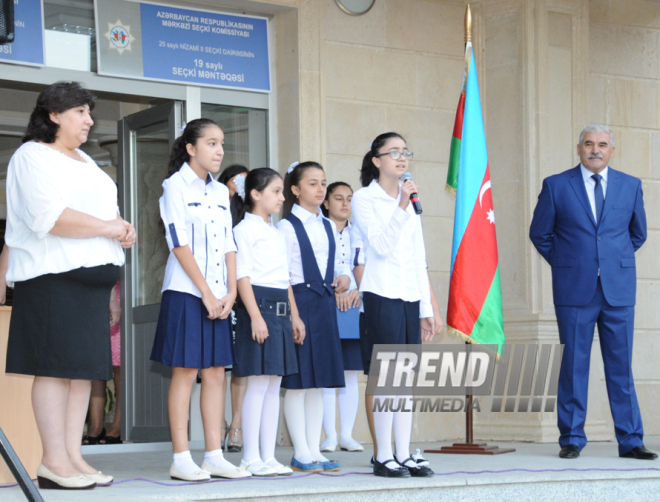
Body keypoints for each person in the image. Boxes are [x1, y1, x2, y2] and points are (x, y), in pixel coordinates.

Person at [4, 81, 135, 490]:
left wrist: (121, 232)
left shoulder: (85, 161)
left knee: (82, 374)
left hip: (92, 285)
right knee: (55, 371)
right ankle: (52, 460)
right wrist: (109, 227)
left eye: (89, 112)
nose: (89, 120)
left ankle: (74, 456)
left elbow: (104, 213)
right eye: (80, 112)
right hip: (52, 281)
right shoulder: (32, 156)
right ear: (54, 115)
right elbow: (51, 217)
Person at [529, 124, 656, 460]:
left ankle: (630, 440)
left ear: (612, 150)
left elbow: (637, 234)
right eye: (589, 144)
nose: (595, 150)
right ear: (578, 148)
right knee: (573, 365)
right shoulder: (557, 186)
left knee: (620, 366)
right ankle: (571, 437)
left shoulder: (630, 186)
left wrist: (610, 260)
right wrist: (567, 262)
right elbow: (540, 233)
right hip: (574, 290)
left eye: (602, 144)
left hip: (618, 290)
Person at [150, 118, 250, 481]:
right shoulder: (173, 186)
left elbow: (228, 244)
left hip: (220, 295)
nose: (219, 150)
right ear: (191, 148)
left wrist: (231, 292)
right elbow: (179, 243)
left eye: (221, 143)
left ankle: (214, 455)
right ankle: (180, 457)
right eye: (211, 143)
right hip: (186, 293)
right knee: (186, 371)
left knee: (215, 374)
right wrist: (206, 293)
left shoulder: (221, 193)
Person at [352, 132, 435, 478]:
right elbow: (382, 247)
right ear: (377, 161)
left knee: (406, 381)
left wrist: (427, 309)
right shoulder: (364, 199)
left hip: (408, 298)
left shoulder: (409, 200)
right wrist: (402, 205)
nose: (402, 158)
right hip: (380, 295)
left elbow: (419, 258)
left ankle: (403, 453)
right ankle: (382, 454)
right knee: (386, 380)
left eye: (406, 152)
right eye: (394, 152)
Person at [276, 161, 351, 473]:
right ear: (295, 189)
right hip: (300, 305)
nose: (320, 189)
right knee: (298, 382)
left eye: (323, 183)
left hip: (324, 304)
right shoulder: (286, 227)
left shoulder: (327, 225)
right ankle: (301, 452)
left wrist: (343, 276)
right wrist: (294, 316)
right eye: (312, 183)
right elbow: (284, 276)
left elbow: (332, 265)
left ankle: (314, 450)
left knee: (319, 382)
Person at [233, 167, 302, 476]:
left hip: (280, 309)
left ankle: (268, 455)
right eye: (275, 191)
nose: (281, 197)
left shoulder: (276, 232)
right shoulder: (243, 230)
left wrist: (295, 315)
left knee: (274, 384)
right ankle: (250, 456)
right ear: (255, 194)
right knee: (258, 384)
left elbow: (284, 278)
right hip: (258, 306)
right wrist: (256, 317)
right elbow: (242, 276)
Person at [320, 182, 363, 453]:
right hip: (325, 303)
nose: (345, 204)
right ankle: (329, 436)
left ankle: (347, 434)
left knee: (350, 371)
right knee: (327, 370)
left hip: (352, 307)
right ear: (326, 202)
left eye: (349, 199)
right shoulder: (318, 229)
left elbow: (362, 265)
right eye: (338, 198)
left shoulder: (358, 232)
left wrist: (356, 288)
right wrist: (335, 289)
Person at [218, 163, 249, 452]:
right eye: (235, 181)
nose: (240, 186)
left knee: (239, 365)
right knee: (215, 363)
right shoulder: (215, 205)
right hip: (216, 291)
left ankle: (236, 423)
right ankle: (218, 423)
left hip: (243, 293)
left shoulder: (251, 214)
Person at [82, 281, 122, 445]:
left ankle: (117, 426)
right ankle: (96, 427)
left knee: (120, 371)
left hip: (122, 297)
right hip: (96, 298)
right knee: (96, 370)